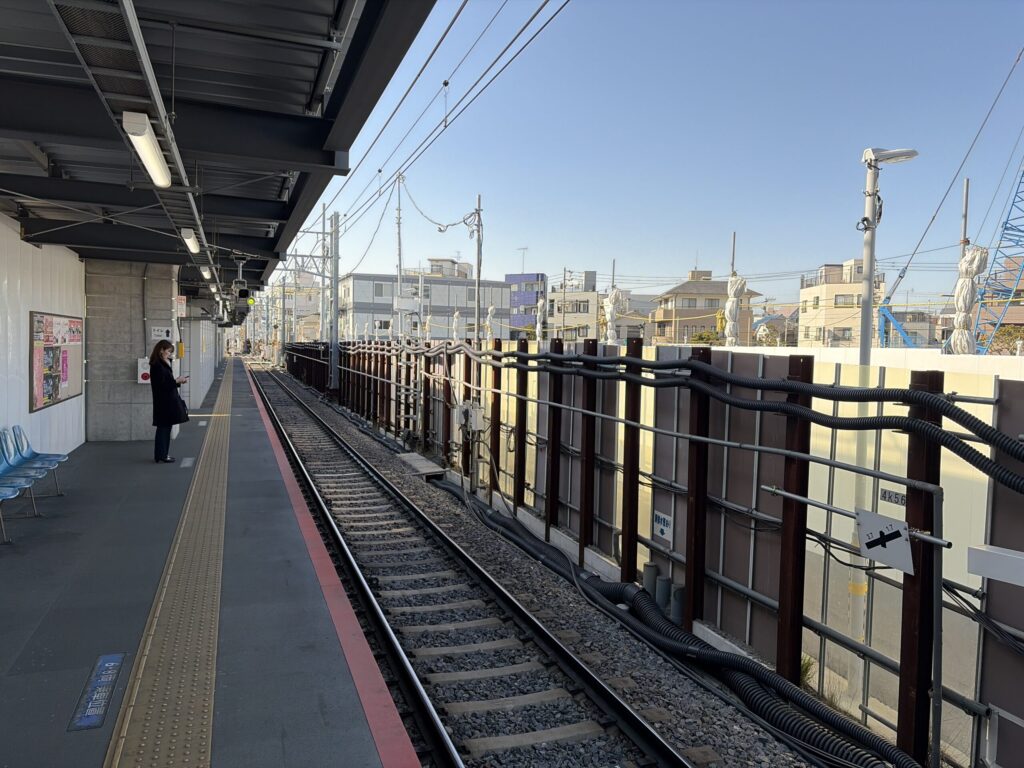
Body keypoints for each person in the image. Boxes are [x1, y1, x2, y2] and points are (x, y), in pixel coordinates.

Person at [149, 340, 188, 463]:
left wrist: (178, 381)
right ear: (161, 350)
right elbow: (161, 385)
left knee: (166, 427)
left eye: (171, 352)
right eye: (169, 351)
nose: (170, 354)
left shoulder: (164, 363)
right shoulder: (157, 365)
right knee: (163, 428)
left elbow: (167, 382)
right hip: (163, 401)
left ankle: (162, 454)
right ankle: (161, 455)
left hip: (168, 400)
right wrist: (176, 381)